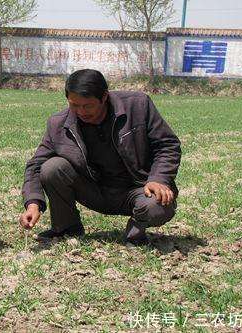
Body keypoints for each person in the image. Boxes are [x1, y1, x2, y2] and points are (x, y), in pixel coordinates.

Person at [20, 69, 181, 245]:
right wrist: (33, 203)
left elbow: (167, 145)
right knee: (52, 168)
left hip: (138, 189)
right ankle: (67, 227)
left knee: (158, 206)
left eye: (87, 105)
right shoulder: (58, 124)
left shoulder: (138, 105)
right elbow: (35, 165)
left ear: (104, 97)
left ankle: (135, 229)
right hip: (95, 191)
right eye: (74, 105)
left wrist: (159, 179)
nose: (80, 111)